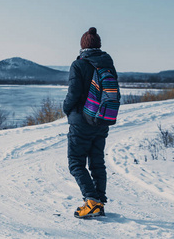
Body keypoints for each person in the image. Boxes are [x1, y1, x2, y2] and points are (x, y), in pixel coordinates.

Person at [63, 27, 118, 218]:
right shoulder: (108, 65)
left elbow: (73, 94)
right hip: (102, 120)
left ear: (82, 46)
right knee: (97, 162)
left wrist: (66, 108)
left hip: (81, 121)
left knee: (76, 162)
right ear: (98, 45)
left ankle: (91, 201)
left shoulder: (78, 65)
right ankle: (99, 201)